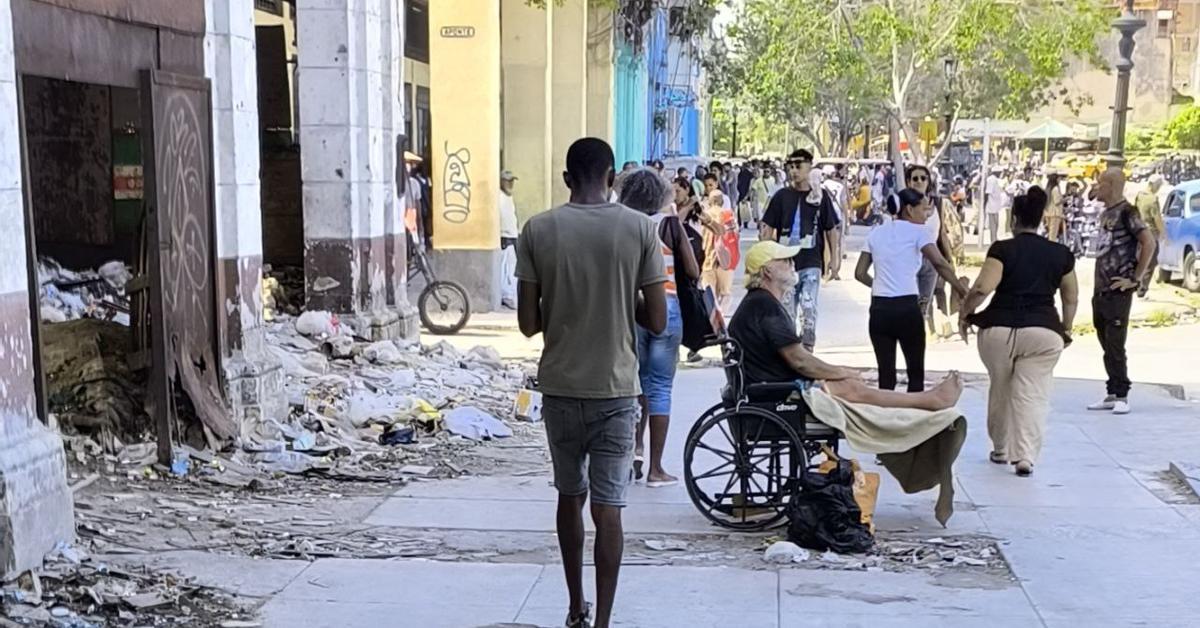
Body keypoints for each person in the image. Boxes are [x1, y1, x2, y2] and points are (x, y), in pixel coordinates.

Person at [516, 138, 667, 628]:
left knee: (569, 496)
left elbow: (527, 323)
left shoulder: (538, 229)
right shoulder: (639, 229)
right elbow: (658, 320)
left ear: (566, 179)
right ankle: (602, 621)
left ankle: (574, 606)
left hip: (561, 388)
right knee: (609, 509)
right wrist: (621, 298)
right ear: (611, 178)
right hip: (617, 391)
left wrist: (565, 301)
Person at [730, 241, 964, 409]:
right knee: (851, 388)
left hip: (773, 385)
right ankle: (927, 401)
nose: (792, 264)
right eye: (784, 261)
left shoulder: (761, 303)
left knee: (850, 383)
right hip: (775, 393)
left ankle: (920, 403)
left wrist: (838, 372)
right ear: (767, 271)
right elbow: (800, 360)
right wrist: (841, 372)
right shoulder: (764, 305)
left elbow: (800, 359)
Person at [958, 186, 1078, 477]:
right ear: (1040, 219)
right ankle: (1025, 456)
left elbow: (982, 288)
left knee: (1001, 386)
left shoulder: (1002, 250)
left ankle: (1000, 449)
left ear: (1013, 220)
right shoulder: (1061, 254)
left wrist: (965, 314)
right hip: (1044, 332)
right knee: (1032, 394)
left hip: (999, 330)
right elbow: (1071, 297)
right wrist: (1065, 328)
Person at [617, 169, 700, 489]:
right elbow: (692, 271)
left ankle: (634, 450)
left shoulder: (623, 225)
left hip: (633, 308)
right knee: (661, 387)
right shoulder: (670, 224)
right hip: (668, 307)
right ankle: (656, 469)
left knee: (637, 383)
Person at [855, 189, 967, 392]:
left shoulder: (876, 233)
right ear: (909, 209)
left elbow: (860, 273)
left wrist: (881, 286)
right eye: (924, 209)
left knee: (886, 377)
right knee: (915, 374)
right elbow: (939, 263)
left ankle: (884, 411)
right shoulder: (919, 232)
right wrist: (960, 288)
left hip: (879, 309)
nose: (927, 215)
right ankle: (913, 411)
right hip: (907, 308)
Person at [1087, 168, 1156, 415]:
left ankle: (1122, 394)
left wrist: (1135, 279)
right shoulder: (1106, 213)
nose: (1096, 188)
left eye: (1100, 184)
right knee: (1105, 341)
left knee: (1116, 344)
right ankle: (1112, 390)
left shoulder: (1128, 212)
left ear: (1112, 185)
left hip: (1118, 289)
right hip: (1101, 288)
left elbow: (1148, 242)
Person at [760, 149, 842, 351]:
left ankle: (808, 345)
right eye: (791, 167)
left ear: (809, 167)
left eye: (799, 166)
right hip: (785, 263)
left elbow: (831, 229)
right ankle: (790, 348)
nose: (794, 171)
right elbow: (767, 227)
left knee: (808, 304)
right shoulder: (781, 196)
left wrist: (835, 258)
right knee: (787, 308)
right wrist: (765, 255)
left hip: (811, 261)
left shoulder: (820, 197)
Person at [905, 165, 960, 336]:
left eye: (923, 178)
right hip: (910, 258)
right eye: (915, 178)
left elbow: (941, 232)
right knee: (911, 300)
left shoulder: (937, 203)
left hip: (932, 258)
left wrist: (949, 258)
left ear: (929, 181)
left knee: (925, 301)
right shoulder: (903, 202)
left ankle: (921, 333)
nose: (919, 181)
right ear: (908, 182)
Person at [1134, 174, 1166, 296]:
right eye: (1159, 186)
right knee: (1151, 262)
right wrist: (1163, 233)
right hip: (1151, 233)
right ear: (1155, 185)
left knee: (1139, 258)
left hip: (1139, 231)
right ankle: (1142, 289)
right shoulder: (1153, 199)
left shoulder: (1139, 195)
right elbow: (1157, 218)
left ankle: (1136, 283)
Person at [499, 170, 520, 309]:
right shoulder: (498, 196)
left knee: (511, 268)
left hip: (512, 235)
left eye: (512, 181)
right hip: (504, 236)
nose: (510, 184)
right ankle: (507, 296)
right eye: (507, 181)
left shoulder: (509, 197)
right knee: (505, 270)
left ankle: (510, 295)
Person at [984, 167, 1005, 244]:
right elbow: (987, 193)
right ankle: (993, 240)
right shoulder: (991, 180)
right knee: (993, 225)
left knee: (996, 224)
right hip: (991, 205)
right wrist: (985, 203)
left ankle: (995, 238)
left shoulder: (995, 180)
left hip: (995, 206)